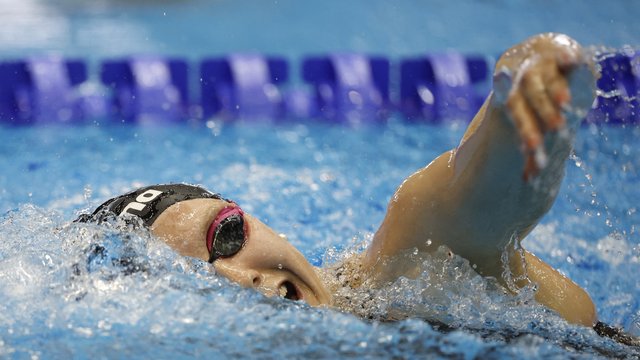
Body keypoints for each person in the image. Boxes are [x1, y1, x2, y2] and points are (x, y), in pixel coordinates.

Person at [75, 33, 636, 345]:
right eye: (187, 282)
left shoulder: (407, 273)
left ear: (259, 219)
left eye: (224, 237)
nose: (234, 276)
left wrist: (527, 76)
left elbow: (481, 184)